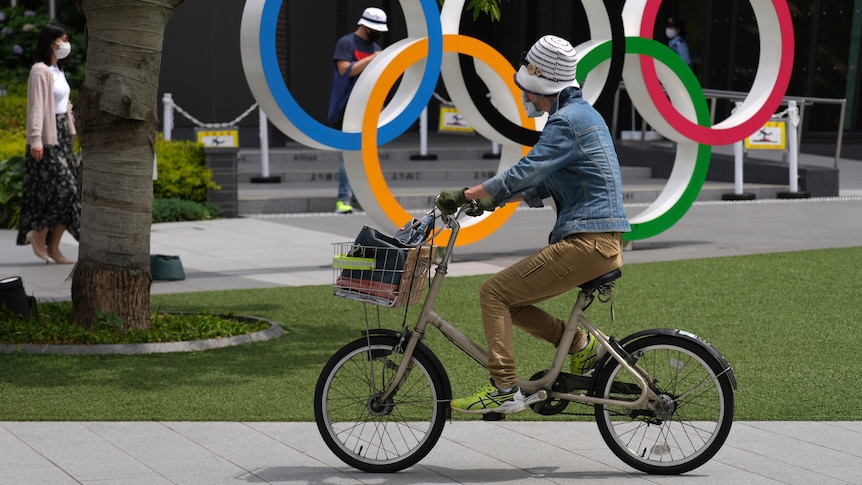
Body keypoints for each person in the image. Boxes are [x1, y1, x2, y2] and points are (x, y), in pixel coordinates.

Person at [435, 35, 631, 415]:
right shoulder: (583, 115)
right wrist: (490, 200)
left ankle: (504, 388)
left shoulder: (567, 121)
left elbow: (527, 169)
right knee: (514, 302)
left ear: (546, 87)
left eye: (530, 89)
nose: (528, 97)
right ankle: (579, 345)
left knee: (493, 293)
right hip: (598, 241)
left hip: (588, 242)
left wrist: (468, 193)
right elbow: (541, 182)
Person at [16, 23, 81, 264]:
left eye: (67, 39)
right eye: (61, 40)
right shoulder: (39, 70)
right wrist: (35, 140)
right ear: (50, 42)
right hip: (46, 137)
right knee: (63, 189)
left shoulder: (59, 70)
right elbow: (36, 107)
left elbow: (64, 104)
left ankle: (53, 247)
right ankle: (38, 235)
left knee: (71, 193)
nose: (65, 45)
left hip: (63, 136)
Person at [327, 6, 388, 214]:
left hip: (370, 107)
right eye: (375, 28)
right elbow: (344, 69)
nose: (377, 32)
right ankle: (344, 198)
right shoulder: (347, 43)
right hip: (348, 106)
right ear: (364, 26)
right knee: (350, 154)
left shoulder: (375, 46)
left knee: (368, 154)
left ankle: (363, 197)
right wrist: (371, 60)